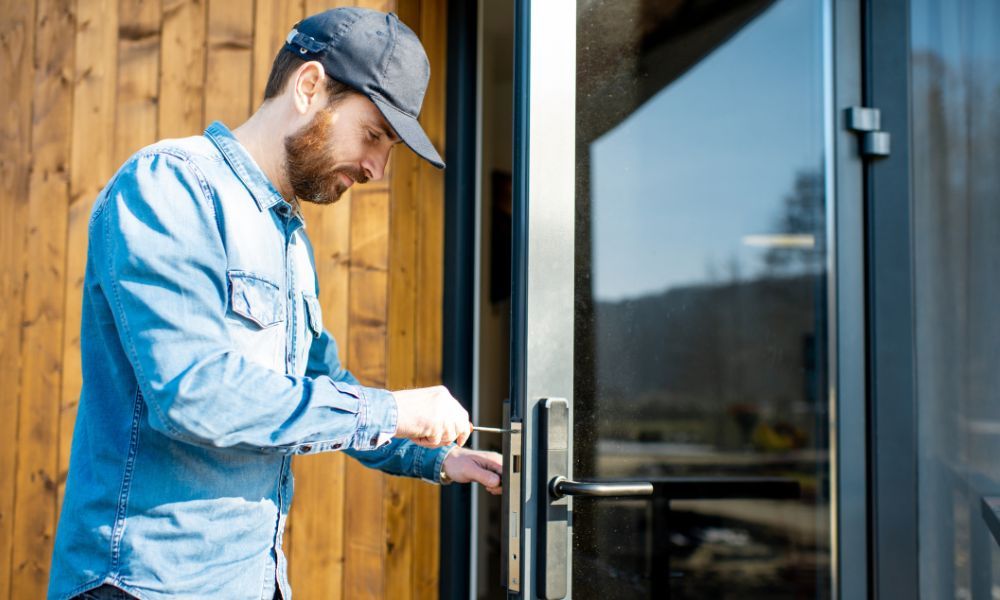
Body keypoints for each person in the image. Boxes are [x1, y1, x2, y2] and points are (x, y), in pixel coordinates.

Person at [48, 8, 502, 600]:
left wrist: (434, 459)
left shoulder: (288, 238)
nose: (377, 168)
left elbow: (319, 383)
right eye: (372, 136)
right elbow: (194, 393)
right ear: (309, 86)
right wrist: (391, 410)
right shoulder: (169, 186)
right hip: (144, 586)